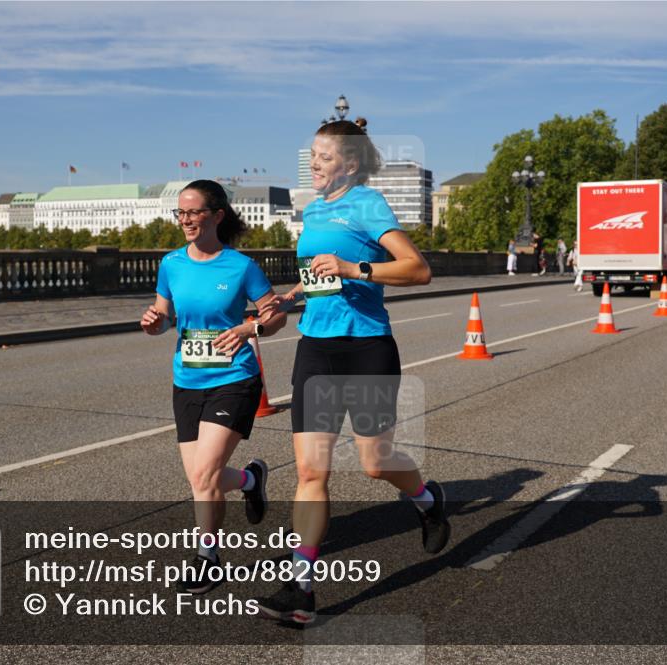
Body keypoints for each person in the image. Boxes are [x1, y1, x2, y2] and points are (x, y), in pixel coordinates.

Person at [253, 117, 449, 624]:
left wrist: (353, 268)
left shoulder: (368, 204)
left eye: (324, 157)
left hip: (365, 348)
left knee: (375, 463)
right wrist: (291, 296)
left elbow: (418, 269)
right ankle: (301, 587)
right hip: (316, 349)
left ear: (351, 162)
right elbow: (318, 274)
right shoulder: (315, 208)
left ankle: (427, 499)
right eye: (312, 156)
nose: (314, 164)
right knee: (310, 471)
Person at [141, 179, 287, 592]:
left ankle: (207, 558)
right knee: (201, 478)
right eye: (180, 213)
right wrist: (154, 323)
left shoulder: (240, 266)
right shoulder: (171, 264)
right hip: (187, 380)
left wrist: (249, 328)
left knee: (204, 475)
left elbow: (275, 315)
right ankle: (251, 480)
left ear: (217, 215)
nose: (185, 220)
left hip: (234, 378)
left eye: (194, 212)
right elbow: (165, 317)